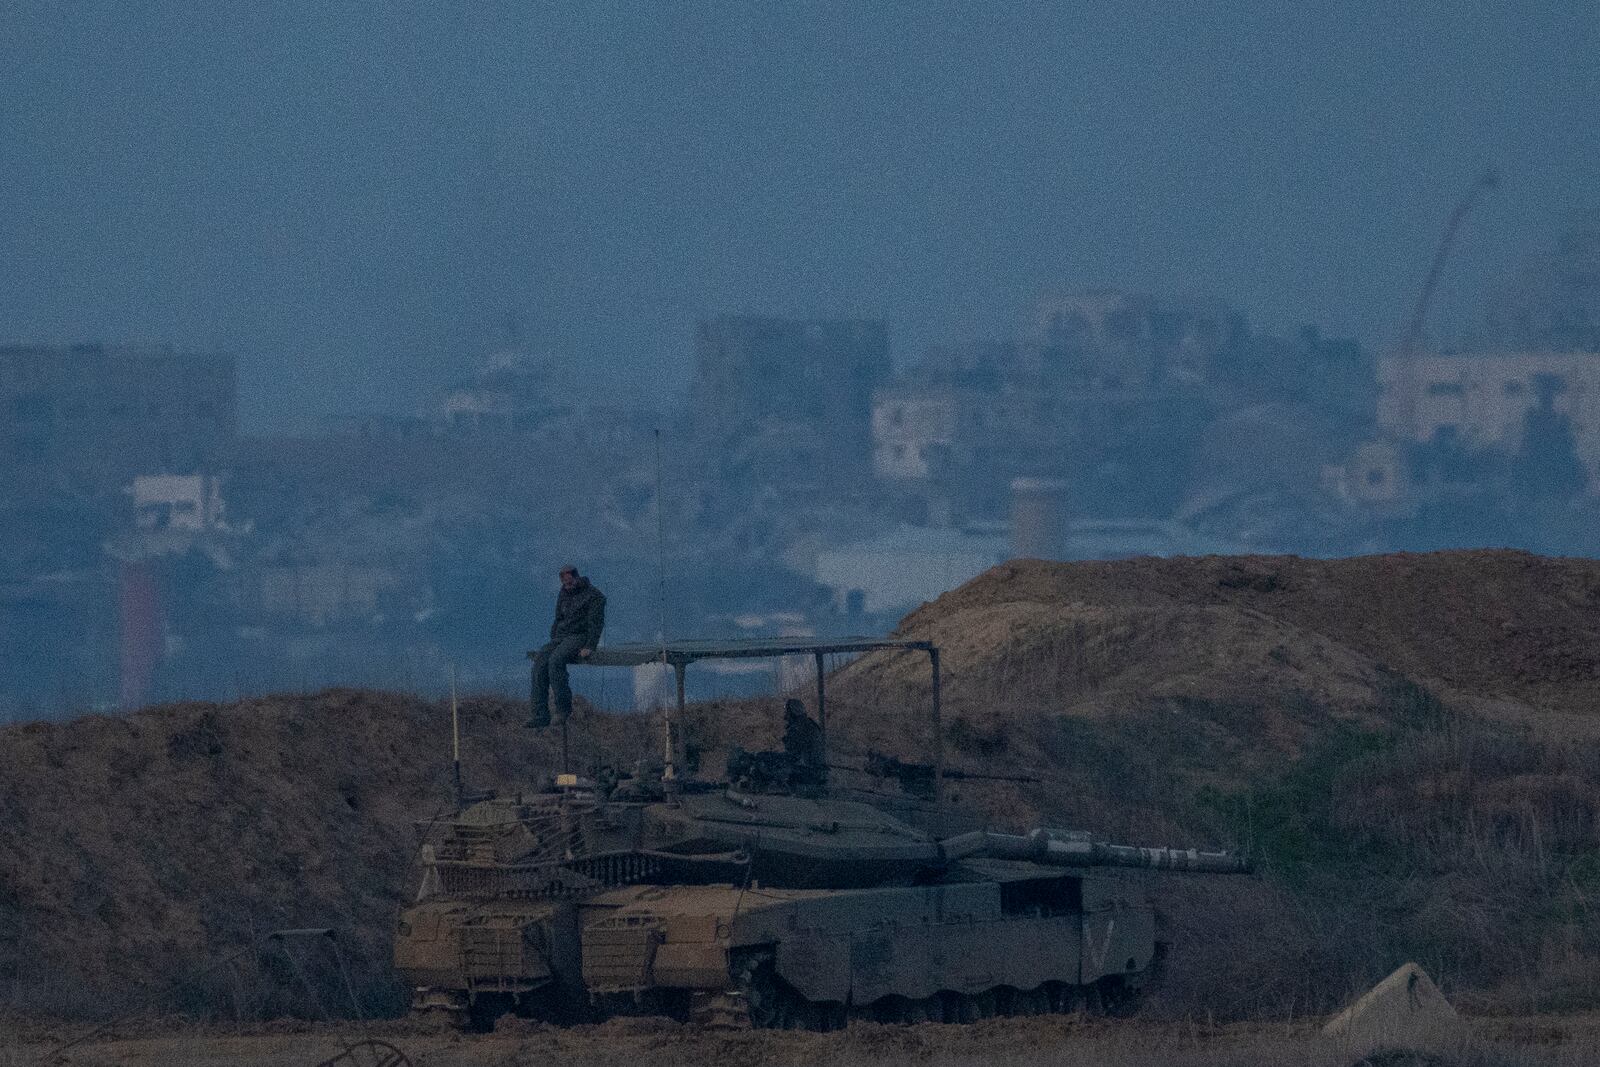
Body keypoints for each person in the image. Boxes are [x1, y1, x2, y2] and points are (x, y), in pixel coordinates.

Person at [527, 566, 605, 728]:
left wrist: (590, 645)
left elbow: (595, 624)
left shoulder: (594, 596)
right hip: (561, 636)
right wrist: (554, 637)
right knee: (540, 662)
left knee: (556, 661)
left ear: (576, 578)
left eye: (569, 582)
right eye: (564, 582)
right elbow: (558, 618)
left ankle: (562, 709)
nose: (567, 585)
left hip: (579, 636)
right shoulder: (563, 593)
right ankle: (540, 714)